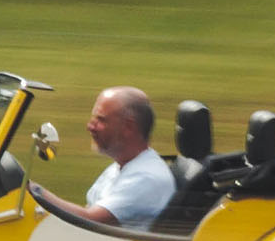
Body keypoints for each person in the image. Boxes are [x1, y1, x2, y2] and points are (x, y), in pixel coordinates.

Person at [29, 86, 176, 229]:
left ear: (128, 127)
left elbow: (89, 220)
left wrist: (34, 190)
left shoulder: (146, 178)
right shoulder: (123, 166)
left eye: (101, 120)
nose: (90, 126)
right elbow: (88, 210)